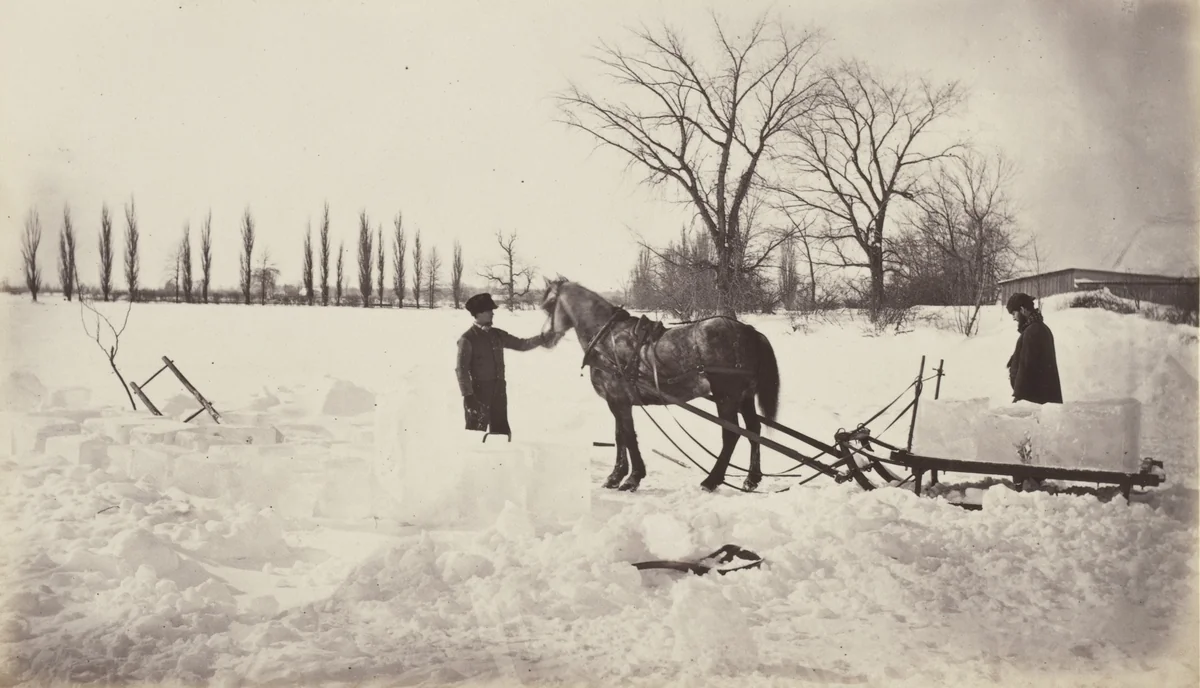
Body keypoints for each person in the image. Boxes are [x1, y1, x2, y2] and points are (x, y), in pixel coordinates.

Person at [455, 293, 552, 439]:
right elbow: (461, 370)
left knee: (501, 434)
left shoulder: (497, 334)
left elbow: (521, 344)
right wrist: (468, 396)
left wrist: (543, 338)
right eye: (489, 311)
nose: (492, 314)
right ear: (479, 313)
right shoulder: (467, 339)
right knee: (475, 434)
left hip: (499, 390)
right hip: (478, 392)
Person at [1005, 292, 1063, 404]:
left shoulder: (1033, 331)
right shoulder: (1038, 328)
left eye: (1014, 313)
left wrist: (1019, 397)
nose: (1013, 318)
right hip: (1040, 400)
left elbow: (1026, 367)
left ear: (1022, 309)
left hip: (1035, 401)